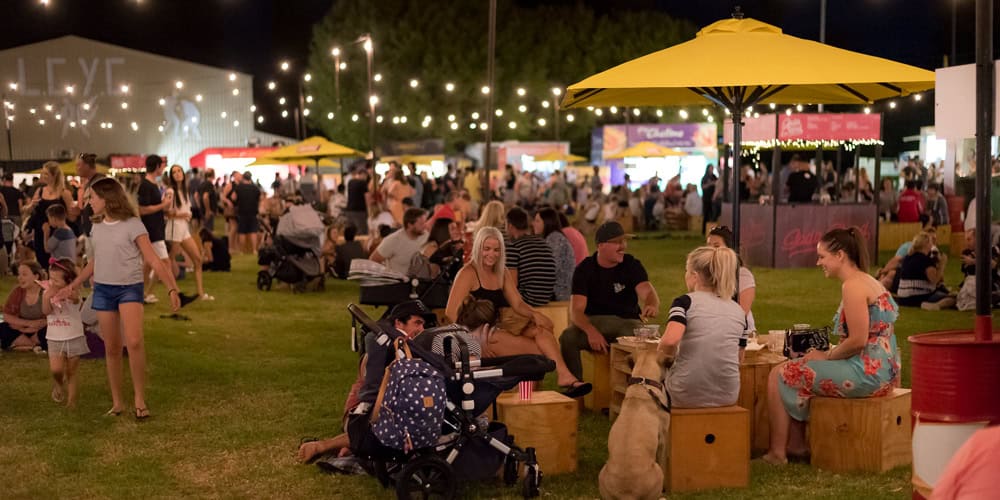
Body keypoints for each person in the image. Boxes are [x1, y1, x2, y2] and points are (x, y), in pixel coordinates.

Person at [762, 227, 900, 465]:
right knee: (801, 368)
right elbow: (879, 335)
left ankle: (777, 453)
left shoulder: (852, 286)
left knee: (781, 374)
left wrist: (827, 355)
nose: (818, 262)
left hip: (867, 374)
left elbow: (857, 341)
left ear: (840, 256)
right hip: (885, 371)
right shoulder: (869, 281)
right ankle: (796, 445)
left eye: (822, 256)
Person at [60, 177, 180, 420]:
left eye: (92, 197)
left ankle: (139, 398)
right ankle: (117, 403)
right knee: (112, 347)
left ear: (107, 199)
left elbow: (154, 258)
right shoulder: (97, 227)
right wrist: (72, 284)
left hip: (129, 288)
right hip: (103, 290)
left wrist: (172, 288)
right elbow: (95, 261)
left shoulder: (133, 224)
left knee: (134, 341)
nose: (88, 202)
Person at [444, 226, 590, 397]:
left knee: (541, 331)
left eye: (496, 249)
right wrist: (474, 343)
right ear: (478, 248)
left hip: (502, 325)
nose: (492, 254)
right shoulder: (468, 273)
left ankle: (564, 377)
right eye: (487, 249)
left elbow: (518, 304)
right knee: (537, 352)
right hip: (482, 334)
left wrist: (536, 315)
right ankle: (526, 396)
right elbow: (450, 313)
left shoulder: (502, 272)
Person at [296, 300, 430, 468]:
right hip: (360, 412)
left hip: (377, 409)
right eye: (417, 323)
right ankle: (322, 446)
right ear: (398, 323)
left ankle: (349, 448)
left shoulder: (402, 347)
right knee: (385, 425)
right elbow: (372, 399)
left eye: (423, 324)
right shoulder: (382, 347)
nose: (421, 330)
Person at [559, 221, 660, 380]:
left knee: (635, 334)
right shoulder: (585, 269)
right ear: (601, 245)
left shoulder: (631, 264)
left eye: (624, 241)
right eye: (617, 242)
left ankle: (635, 387)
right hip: (595, 322)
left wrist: (651, 304)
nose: (623, 246)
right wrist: (591, 332)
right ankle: (576, 387)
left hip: (627, 322)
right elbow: (576, 312)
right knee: (568, 337)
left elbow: (647, 291)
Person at [657, 246, 745, 408]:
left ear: (694, 276)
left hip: (684, 392)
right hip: (728, 394)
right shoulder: (738, 310)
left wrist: (662, 361)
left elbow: (670, 340)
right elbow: (739, 357)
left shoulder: (685, 302)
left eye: (686, 271)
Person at [41, 258, 89, 407]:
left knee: (71, 371)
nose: (52, 282)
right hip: (54, 336)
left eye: (56, 280)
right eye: (50, 278)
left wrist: (67, 294)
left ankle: (71, 402)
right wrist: (47, 297)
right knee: (56, 369)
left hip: (73, 336)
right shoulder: (47, 292)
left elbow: (76, 301)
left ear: (68, 280)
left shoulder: (73, 293)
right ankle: (58, 383)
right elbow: (46, 312)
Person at [164, 165, 212, 300]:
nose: (177, 174)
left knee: (197, 259)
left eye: (179, 171)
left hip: (184, 229)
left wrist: (186, 215)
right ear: (171, 176)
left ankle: (201, 293)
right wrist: (182, 215)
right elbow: (166, 212)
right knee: (168, 261)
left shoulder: (184, 190)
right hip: (174, 228)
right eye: (174, 172)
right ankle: (170, 292)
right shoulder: (171, 191)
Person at [707, 226, 757, 345]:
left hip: (739, 335)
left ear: (729, 249)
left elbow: (742, 312)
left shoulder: (742, 275)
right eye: (708, 246)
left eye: (716, 246)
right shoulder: (705, 275)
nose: (711, 251)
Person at [136, 155, 173, 304]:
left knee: (148, 264)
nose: (163, 168)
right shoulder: (145, 185)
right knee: (164, 263)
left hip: (156, 228)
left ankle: (144, 293)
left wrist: (164, 207)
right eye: (162, 165)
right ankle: (169, 293)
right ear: (157, 166)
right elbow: (143, 209)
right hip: (152, 230)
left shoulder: (153, 184)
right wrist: (163, 205)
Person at [25, 161, 76, 266]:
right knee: (42, 261)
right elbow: (28, 211)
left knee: (58, 264)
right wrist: (31, 206)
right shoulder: (39, 191)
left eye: (46, 173)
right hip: (41, 231)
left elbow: (72, 217)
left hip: (58, 233)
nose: (43, 176)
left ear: (54, 176)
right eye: (43, 173)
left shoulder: (64, 193)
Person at [505, 207, 556, 307]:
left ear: (510, 226)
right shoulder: (543, 243)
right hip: (545, 299)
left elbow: (511, 285)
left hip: (525, 302)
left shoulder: (513, 247)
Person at [895, 232, 955, 310]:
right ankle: (936, 305)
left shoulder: (908, 257)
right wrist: (942, 264)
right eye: (931, 242)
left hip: (903, 298)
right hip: (919, 297)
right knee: (953, 299)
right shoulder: (925, 260)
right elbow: (934, 280)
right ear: (926, 244)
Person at [0, 260, 49, 352]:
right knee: (3, 327)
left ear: (36, 276)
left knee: (51, 330)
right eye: (19, 274)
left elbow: (52, 318)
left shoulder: (46, 292)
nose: (20, 278)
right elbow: (6, 316)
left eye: (24, 274)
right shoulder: (17, 291)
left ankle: (22, 345)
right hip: (21, 330)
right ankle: (34, 346)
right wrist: (27, 324)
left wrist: (34, 328)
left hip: (39, 331)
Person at [370, 207, 428, 275]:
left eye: (425, 222)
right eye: (421, 224)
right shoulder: (393, 240)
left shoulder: (427, 236)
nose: (425, 226)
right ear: (410, 225)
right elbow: (373, 260)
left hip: (421, 282)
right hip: (398, 283)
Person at [533, 207, 574, 302]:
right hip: (556, 292)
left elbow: (550, 269)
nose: (533, 224)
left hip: (559, 295)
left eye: (537, 221)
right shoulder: (552, 238)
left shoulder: (555, 239)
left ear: (547, 222)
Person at [232, 172, 262, 253]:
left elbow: (233, 197)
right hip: (253, 212)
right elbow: (260, 199)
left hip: (242, 212)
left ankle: (242, 250)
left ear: (243, 178)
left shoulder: (239, 187)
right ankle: (254, 250)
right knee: (253, 231)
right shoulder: (255, 188)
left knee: (242, 231)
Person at [345, 166, 369, 235]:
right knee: (362, 231)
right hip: (360, 211)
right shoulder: (363, 183)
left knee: (351, 231)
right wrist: (368, 210)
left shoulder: (350, 182)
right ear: (363, 174)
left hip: (349, 210)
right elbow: (367, 197)